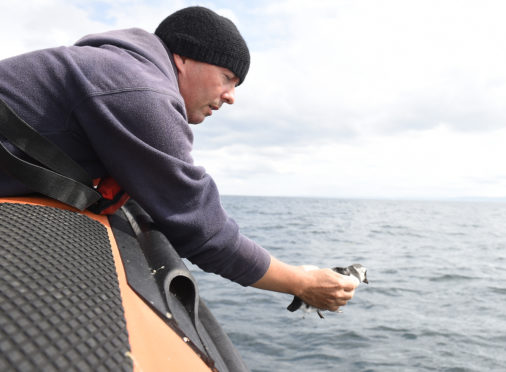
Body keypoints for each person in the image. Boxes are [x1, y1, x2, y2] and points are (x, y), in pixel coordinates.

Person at [0, 6, 357, 313]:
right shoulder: (141, 92)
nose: (231, 97)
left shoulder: (115, 68)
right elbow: (205, 231)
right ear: (183, 59)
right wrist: (302, 282)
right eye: (227, 78)